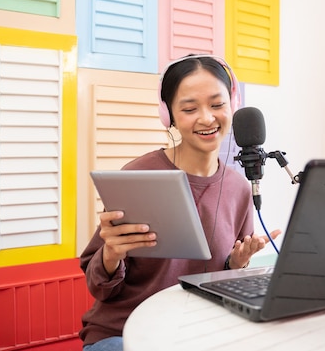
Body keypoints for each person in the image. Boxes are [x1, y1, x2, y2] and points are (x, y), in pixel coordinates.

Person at [79, 54, 281, 351]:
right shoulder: (140, 175)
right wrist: (111, 254)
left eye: (217, 104)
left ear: (233, 105)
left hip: (196, 333)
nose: (207, 118)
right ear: (168, 115)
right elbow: (99, 286)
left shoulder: (239, 187)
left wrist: (236, 264)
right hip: (124, 332)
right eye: (189, 108)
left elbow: (222, 279)